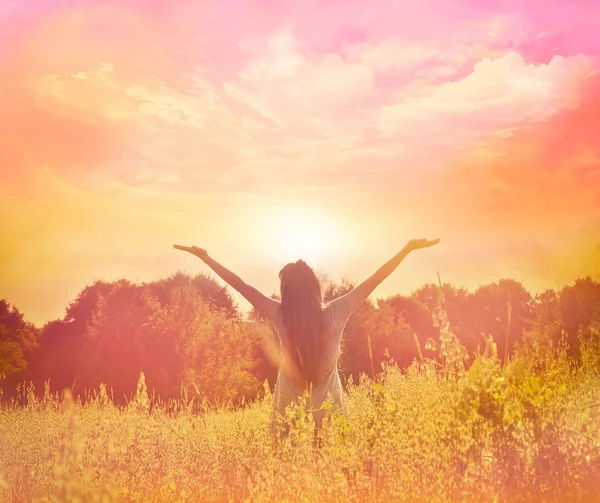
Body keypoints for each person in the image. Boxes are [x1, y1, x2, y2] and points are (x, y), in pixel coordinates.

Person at [173, 238, 439, 439]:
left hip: (289, 422)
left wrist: (206, 258)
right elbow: (375, 280)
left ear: (286, 290)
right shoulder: (337, 313)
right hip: (332, 419)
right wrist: (406, 250)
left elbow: (239, 285)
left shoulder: (280, 315)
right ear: (315, 287)